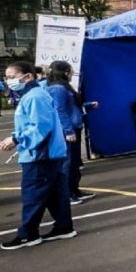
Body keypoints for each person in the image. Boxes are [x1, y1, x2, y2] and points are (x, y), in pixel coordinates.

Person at [0, 61, 74, 250]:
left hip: (40, 154)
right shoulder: (33, 95)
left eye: (11, 76)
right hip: (49, 153)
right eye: (6, 77)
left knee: (33, 194)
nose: (8, 81)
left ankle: (28, 234)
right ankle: (64, 227)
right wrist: (17, 137)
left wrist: (16, 139)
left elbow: (40, 126)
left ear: (28, 76)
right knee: (54, 194)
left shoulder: (34, 96)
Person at [44, 62, 94, 205]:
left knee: (74, 164)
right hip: (68, 131)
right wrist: (68, 130)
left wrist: (88, 106)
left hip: (75, 127)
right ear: (65, 72)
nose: (72, 74)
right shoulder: (57, 88)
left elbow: (71, 107)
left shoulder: (64, 87)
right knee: (68, 164)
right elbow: (60, 110)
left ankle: (74, 189)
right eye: (71, 71)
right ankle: (67, 194)